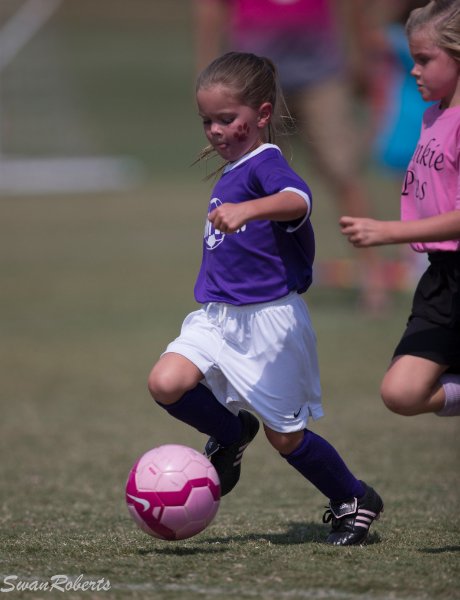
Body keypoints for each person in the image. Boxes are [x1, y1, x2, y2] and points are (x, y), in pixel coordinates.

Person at [148, 51, 383, 545]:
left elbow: (300, 200)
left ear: (261, 114)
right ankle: (232, 434)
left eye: (226, 119)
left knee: (287, 438)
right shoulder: (234, 171)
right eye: (206, 120)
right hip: (216, 319)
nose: (214, 130)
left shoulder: (265, 165)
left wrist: (250, 209)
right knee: (167, 383)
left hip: (269, 324)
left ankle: (353, 498)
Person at [192, 0, 389, 314]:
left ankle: (374, 278)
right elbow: (211, 8)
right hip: (253, 80)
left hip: (321, 73)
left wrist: (360, 58)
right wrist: (208, 68)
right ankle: (268, 285)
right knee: (254, 175)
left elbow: (351, 6)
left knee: (344, 174)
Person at [340, 0, 460, 417]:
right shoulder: (432, 116)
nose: (413, 70)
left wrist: (388, 232)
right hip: (442, 281)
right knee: (401, 393)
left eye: (425, 60)